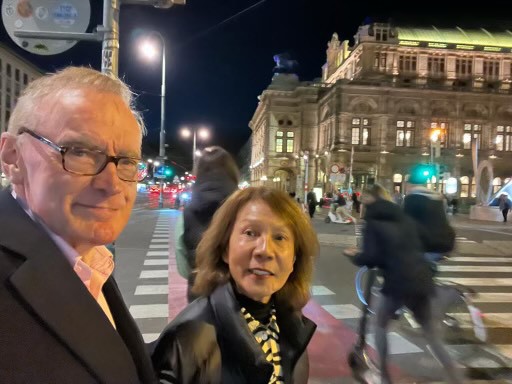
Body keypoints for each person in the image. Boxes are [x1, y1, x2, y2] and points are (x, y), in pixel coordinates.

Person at [0, 67, 155, 383]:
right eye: (80, 152)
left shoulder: (85, 257)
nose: (111, 184)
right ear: (13, 158)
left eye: (126, 161)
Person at [151, 187, 319, 384]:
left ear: (294, 259)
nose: (265, 250)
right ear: (224, 249)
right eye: (250, 233)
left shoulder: (291, 324)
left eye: (280, 237)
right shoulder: (189, 338)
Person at [345, 184, 463, 384]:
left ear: (370, 201)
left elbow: (372, 257)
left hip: (397, 284)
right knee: (431, 335)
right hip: (421, 281)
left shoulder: (373, 222)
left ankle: (384, 377)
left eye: (364, 199)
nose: (362, 203)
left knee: (380, 325)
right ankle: (457, 379)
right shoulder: (405, 219)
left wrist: (354, 256)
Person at [179, 146, 239, 302]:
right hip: (239, 292)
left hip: (200, 294)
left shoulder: (188, 211)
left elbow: (182, 262)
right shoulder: (245, 206)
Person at [403, 167, 456, 265]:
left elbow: (406, 223)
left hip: (426, 245)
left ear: (409, 184)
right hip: (442, 243)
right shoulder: (437, 198)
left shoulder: (412, 198)